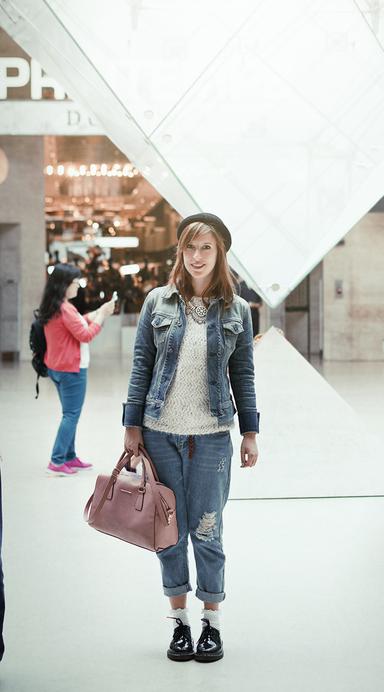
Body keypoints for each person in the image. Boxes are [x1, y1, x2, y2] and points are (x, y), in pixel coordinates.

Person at [123, 212, 259, 663]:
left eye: (207, 247)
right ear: (179, 251)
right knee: (169, 533)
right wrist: (132, 426)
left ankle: (212, 623)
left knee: (208, 531)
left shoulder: (237, 310)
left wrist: (250, 432)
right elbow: (141, 364)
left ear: (220, 252)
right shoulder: (157, 302)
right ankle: (179, 622)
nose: (197, 256)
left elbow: (243, 374)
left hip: (214, 437)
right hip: (160, 434)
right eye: (190, 247)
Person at [38, 264, 116, 476]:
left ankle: (69, 456)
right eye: (75, 283)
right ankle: (56, 461)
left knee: (68, 414)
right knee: (71, 415)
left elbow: (78, 322)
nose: (78, 287)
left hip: (56, 367)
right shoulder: (65, 308)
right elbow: (85, 334)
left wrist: (99, 311)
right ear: (64, 285)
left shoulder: (54, 306)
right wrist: (103, 317)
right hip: (72, 370)